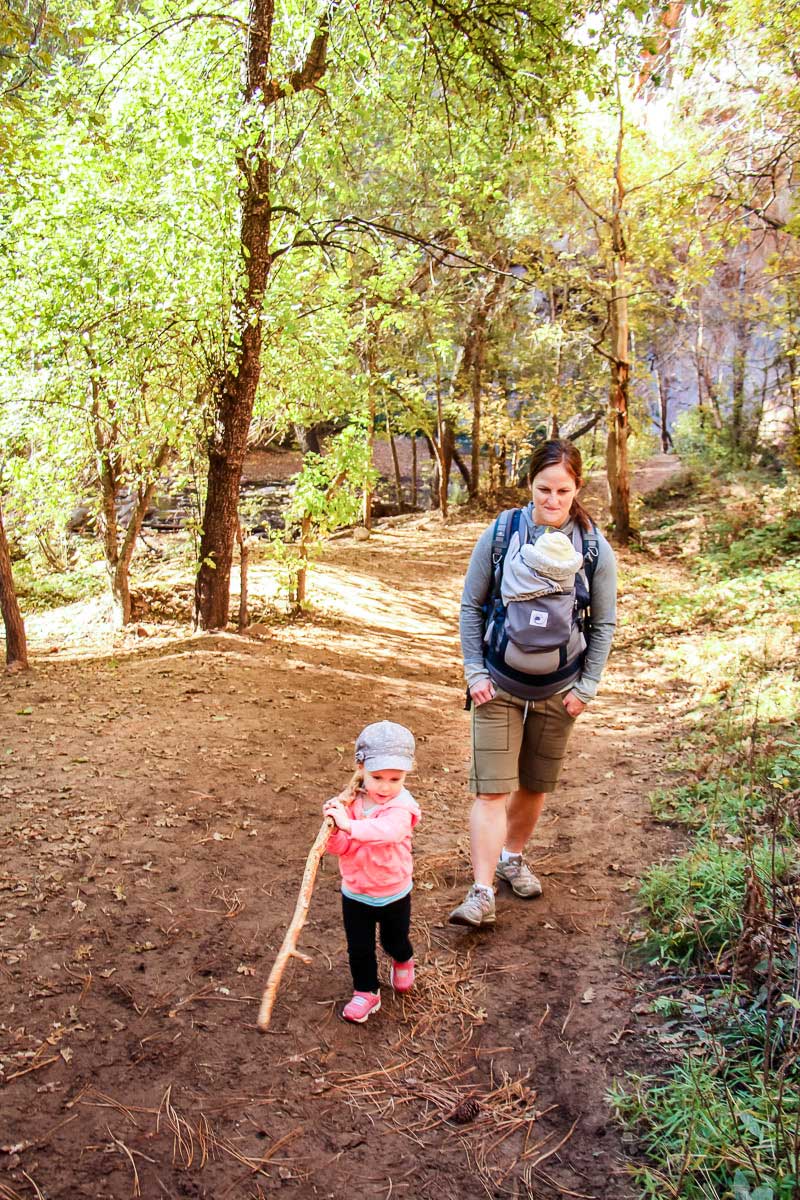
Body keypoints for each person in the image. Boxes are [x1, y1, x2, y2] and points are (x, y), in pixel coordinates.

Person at [449, 439, 617, 928]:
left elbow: (603, 624)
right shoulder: (502, 534)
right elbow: (470, 606)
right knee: (490, 790)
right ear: (530, 485)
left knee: (534, 786)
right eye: (543, 489)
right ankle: (481, 894)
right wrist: (475, 671)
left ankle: (512, 857)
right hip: (497, 685)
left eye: (563, 490)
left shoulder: (592, 547)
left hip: (559, 690)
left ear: (577, 487)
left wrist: (585, 688)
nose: (552, 500)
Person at [324, 720, 421, 1023]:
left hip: (393, 891)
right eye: (377, 777)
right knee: (359, 948)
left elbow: (387, 832)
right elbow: (341, 847)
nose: (385, 786)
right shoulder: (350, 803)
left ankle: (403, 959)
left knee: (394, 940)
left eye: (395, 778)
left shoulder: (403, 807)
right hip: (356, 891)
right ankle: (366, 991)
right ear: (360, 768)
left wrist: (349, 825)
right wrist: (333, 828)